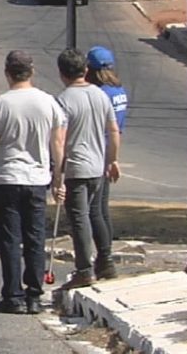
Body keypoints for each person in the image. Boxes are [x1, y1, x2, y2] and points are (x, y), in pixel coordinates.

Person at [0, 50, 65, 314]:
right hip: (37, 180)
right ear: (32, 71)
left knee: (10, 240)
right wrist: (59, 178)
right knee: (35, 237)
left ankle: (13, 295)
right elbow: (58, 143)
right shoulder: (48, 102)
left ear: (7, 73)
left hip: (6, 179)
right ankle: (34, 295)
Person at [56, 48, 121, 290]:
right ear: (85, 70)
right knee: (97, 213)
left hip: (77, 167)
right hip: (98, 165)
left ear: (62, 73)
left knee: (79, 218)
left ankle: (84, 269)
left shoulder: (63, 100)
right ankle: (106, 260)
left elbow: (59, 140)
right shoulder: (101, 95)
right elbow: (113, 131)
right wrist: (112, 159)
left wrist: (57, 173)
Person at [86, 45, 128, 280]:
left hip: (96, 153)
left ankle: (105, 258)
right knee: (102, 210)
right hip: (108, 153)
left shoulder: (100, 94)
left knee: (93, 211)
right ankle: (105, 258)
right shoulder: (118, 90)